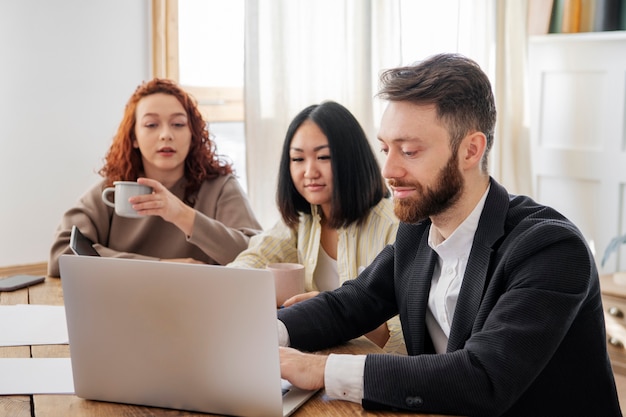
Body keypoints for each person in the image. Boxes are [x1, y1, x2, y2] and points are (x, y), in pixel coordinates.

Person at [277, 54, 622, 416]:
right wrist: (263, 336)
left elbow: (483, 377)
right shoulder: (418, 232)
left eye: (409, 151)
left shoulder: (551, 250)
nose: (389, 170)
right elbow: (349, 305)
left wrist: (319, 369)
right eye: (385, 149)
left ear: (470, 150)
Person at [228, 101, 404, 353]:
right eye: (298, 159)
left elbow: (408, 341)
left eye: (323, 157)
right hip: (312, 363)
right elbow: (255, 258)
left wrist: (338, 314)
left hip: (368, 373)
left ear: (352, 159)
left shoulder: (393, 226)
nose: (309, 171)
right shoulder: (304, 220)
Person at [48, 78, 262, 277]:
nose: (166, 134)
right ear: (134, 138)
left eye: (178, 124)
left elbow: (258, 257)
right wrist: (161, 267)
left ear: (192, 134)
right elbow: (62, 255)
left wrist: (181, 214)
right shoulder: (114, 190)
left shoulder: (221, 188)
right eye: (151, 125)